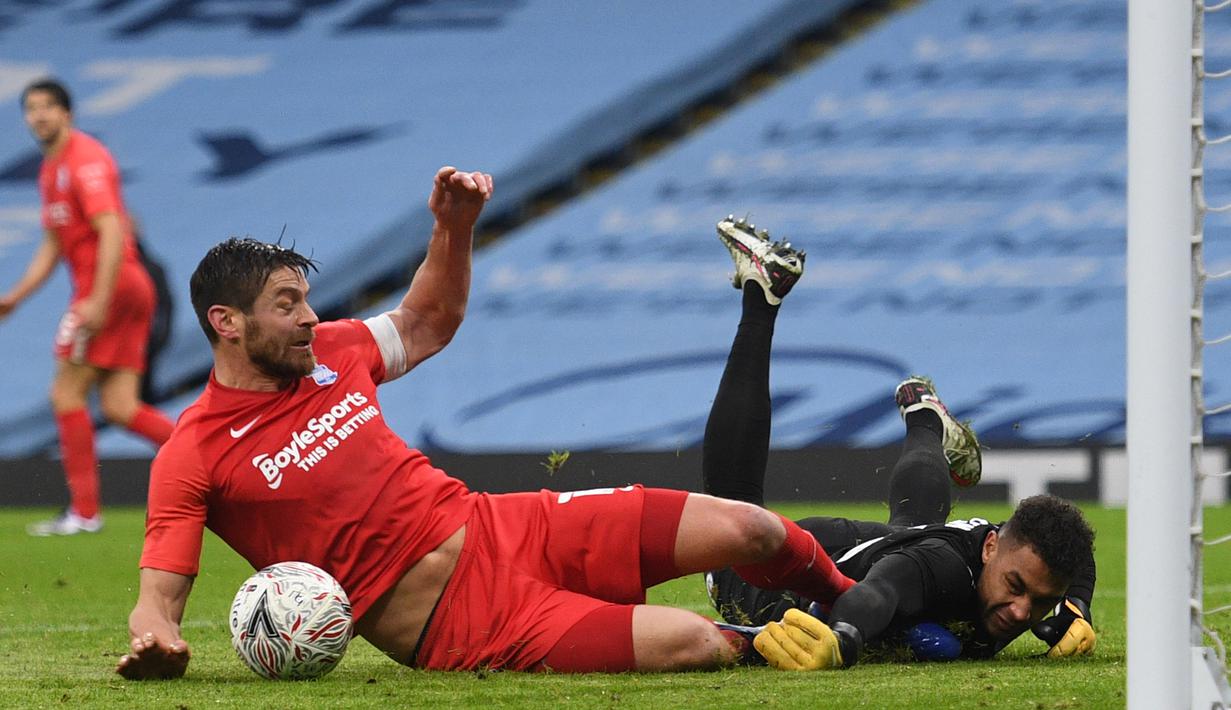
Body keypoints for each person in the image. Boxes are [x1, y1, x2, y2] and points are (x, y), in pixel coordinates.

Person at [115, 167, 860, 680]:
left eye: (306, 299)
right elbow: (160, 595)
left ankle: (858, 611)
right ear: (227, 323)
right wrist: (157, 640)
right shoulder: (194, 453)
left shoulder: (336, 350)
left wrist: (454, 225)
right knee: (692, 643)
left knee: (752, 531)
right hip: (460, 622)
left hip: (510, 526)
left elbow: (429, 319)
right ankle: (763, 640)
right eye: (286, 304)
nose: (310, 316)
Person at [701, 217, 1098, 670]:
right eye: (1015, 586)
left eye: (1042, 602)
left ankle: (926, 421)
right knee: (729, 525)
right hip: (786, 567)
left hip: (880, 546)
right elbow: (880, 591)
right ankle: (760, 297)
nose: (1022, 613)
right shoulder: (941, 569)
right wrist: (844, 639)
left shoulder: (1025, 558)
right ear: (990, 547)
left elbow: (1077, 550)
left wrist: (1079, 604)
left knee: (914, 527)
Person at [0, 78, 175, 536]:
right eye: (31, 108)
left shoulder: (85, 159)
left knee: (66, 394)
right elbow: (53, 245)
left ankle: (84, 512)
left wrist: (97, 298)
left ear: (68, 113)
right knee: (119, 406)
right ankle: (213, 463)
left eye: (47, 107)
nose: (38, 115)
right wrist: (17, 296)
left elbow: (113, 230)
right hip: (121, 287)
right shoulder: (51, 168)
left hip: (111, 286)